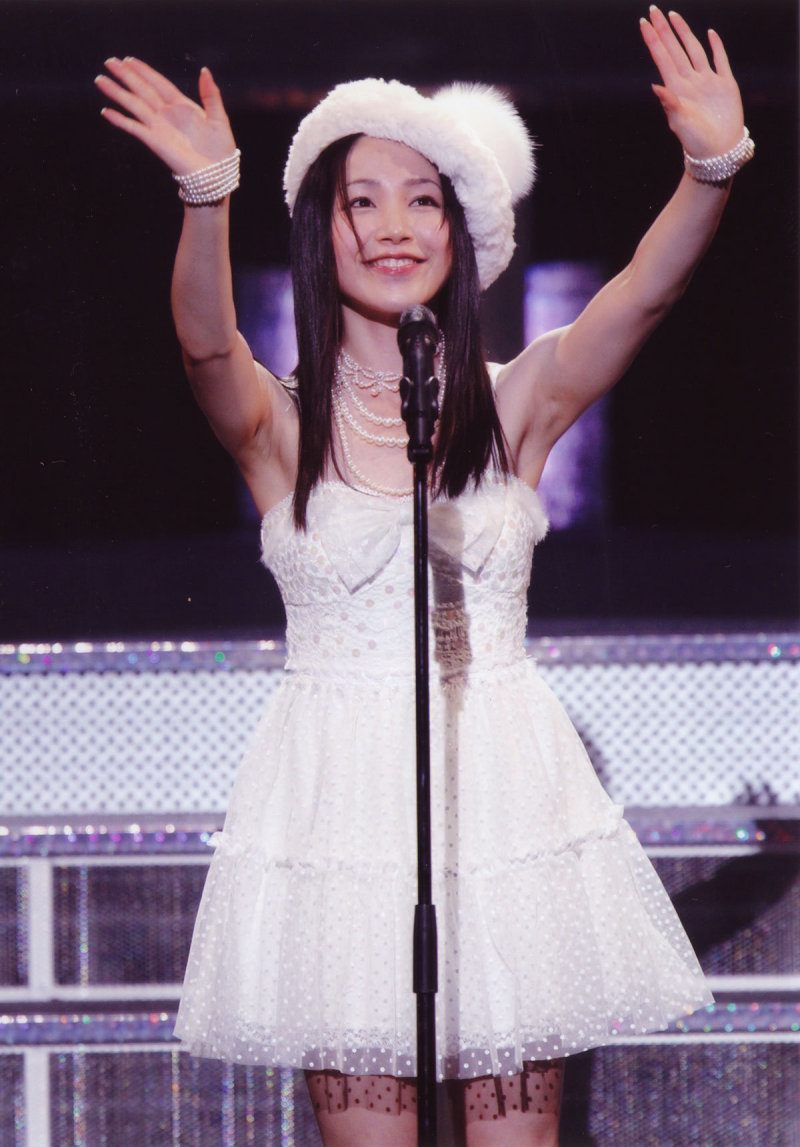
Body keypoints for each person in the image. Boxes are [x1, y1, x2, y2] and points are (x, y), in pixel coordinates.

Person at [95, 8, 751, 1145]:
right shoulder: (282, 427)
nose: (394, 227)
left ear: (460, 230)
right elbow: (205, 345)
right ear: (325, 230)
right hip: (342, 816)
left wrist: (710, 169)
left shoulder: (515, 401)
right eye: (363, 201)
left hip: (498, 802)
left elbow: (642, 295)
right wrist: (207, 196)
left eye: (423, 201)